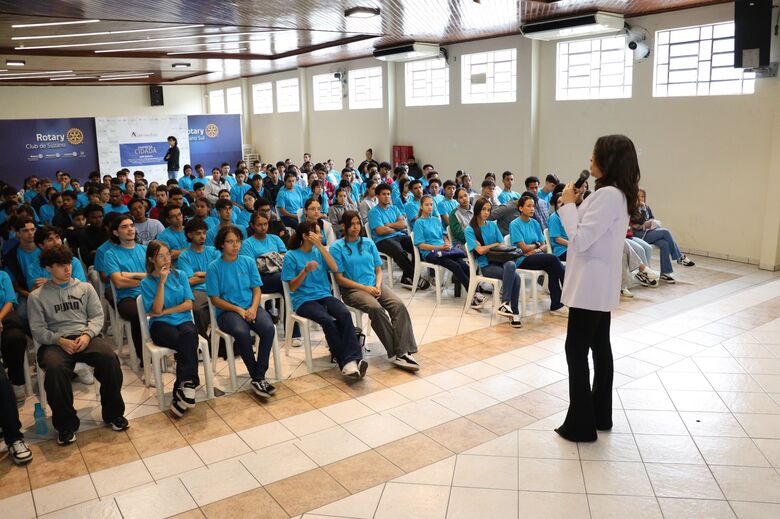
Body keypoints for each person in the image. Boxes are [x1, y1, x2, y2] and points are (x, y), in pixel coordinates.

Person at [555, 134, 641, 443]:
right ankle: (600, 414)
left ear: (608, 161)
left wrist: (567, 207)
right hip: (598, 282)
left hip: (590, 284)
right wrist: (577, 204)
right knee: (599, 348)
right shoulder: (616, 194)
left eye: (594, 156)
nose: (589, 161)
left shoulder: (607, 196)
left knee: (576, 349)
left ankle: (580, 424)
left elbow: (580, 239)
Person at [29, 245, 128, 445]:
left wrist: (87, 335)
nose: (67, 269)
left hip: (85, 336)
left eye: (68, 263)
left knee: (109, 358)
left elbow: (97, 317)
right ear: (48, 268)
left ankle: (113, 414)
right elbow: (38, 330)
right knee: (55, 370)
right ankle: (65, 425)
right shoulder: (37, 296)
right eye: (60, 265)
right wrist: (59, 340)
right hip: (55, 342)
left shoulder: (85, 288)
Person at [332, 211, 420, 371]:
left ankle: (403, 351)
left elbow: (378, 270)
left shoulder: (368, 243)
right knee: (376, 309)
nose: (356, 227)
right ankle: (397, 353)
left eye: (358, 223)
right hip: (353, 290)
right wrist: (365, 288)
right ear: (344, 226)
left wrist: (378, 286)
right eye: (351, 224)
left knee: (398, 305)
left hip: (375, 285)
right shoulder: (337, 247)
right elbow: (339, 278)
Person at [282, 220, 368, 379]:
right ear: (305, 236)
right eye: (316, 232)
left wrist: (321, 247)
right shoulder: (291, 256)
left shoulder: (319, 251)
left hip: (324, 295)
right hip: (303, 301)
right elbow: (292, 287)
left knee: (344, 314)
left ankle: (353, 360)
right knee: (327, 320)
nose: (320, 235)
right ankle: (347, 362)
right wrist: (305, 271)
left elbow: (335, 268)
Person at [207, 225, 278, 398]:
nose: (235, 245)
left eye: (238, 241)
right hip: (227, 312)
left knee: (269, 328)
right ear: (222, 244)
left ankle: (258, 374)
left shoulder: (247, 261)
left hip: (250, 307)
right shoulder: (214, 267)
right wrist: (239, 310)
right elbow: (215, 299)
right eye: (230, 242)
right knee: (242, 332)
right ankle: (257, 377)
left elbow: (256, 290)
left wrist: (253, 308)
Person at [140, 241, 201, 417]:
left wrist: (168, 311)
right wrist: (161, 282)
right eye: (161, 256)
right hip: (160, 325)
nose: (167, 259)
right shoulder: (146, 283)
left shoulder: (180, 275)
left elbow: (188, 304)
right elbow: (156, 311)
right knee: (186, 343)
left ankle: (182, 388)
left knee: (190, 334)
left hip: (183, 320)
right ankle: (189, 384)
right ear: (151, 259)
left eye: (168, 254)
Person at [240, 212, 301, 346]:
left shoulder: (275, 239)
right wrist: (273, 257)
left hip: (278, 275)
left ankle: (293, 331)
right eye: (259, 225)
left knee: (288, 282)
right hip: (260, 280)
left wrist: (266, 259)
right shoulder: (247, 244)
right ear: (252, 226)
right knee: (286, 281)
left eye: (265, 224)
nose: (263, 227)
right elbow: (251, 268)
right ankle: (293, 333)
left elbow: (285, 258)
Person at [413, 196, 484, 309]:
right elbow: (421, 244)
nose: (429, 207)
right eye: (426, 204)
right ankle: (472, 295)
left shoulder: (436, 220)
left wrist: (446, 244)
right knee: (455, 266)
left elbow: (444, 235)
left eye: (431, 204)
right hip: (430, 253)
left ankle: (476, 291)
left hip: (443, 250)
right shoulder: (419, 223)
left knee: (463, 265)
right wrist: (440, 247)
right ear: (421, 206)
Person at [465, 197, 523, 328]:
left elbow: (502, 243)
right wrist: (493, 244)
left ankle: (504, 304)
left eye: (489, 210)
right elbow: (479, 251)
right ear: (477, 210)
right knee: (516, 278)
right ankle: (513, 312)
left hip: (500, 260)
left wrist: (488, 246)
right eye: (484, 209)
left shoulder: (492, 224)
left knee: (511, 264)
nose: (486, 212)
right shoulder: (470, 230)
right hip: (486, 265)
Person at [509, 196, 567, 315]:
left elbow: (544, 245)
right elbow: (523, 248)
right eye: (528, 206)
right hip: (522, 259)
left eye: (533, 207)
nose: (532, 209)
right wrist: (537, 246)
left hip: (534, 256)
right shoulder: (514, 224)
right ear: (520, 208)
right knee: (553, 258)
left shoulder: (535, 223)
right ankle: (569, 291)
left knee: (552, 267)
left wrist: (535, 249)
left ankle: (556, 305)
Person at [104, 215, 147, 365]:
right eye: (124, 227)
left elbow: (157, 276)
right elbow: (119, 282)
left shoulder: (146, 250)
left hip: (149, 294)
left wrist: (132, 277)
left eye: (131, 225)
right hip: (127, 297)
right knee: (138, 313)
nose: (130, 229)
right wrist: (145, 279)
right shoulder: (111, 254)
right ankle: (145, 358)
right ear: (116, 232)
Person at [368, 184, 429, 290]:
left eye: (388, 194)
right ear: (377, 196)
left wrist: (389, 225)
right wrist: (397, 227)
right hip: (382, 240)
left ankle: (407, 276)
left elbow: (404, 224)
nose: (387, 196)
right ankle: (416, 278)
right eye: (383, 194)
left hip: (399, 236)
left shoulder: (394, 208)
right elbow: (381, 231)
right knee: (399, 251)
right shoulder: (374, 212)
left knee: (417, 245)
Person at [630, 188, 694, 283]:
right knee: (666, 232)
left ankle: (665, 273)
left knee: (664, 243)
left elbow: (651, 218)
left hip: (649, 232)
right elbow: (640, 221)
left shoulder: (646, 207)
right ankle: (679, 257)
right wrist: (643, 216)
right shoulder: (632, 208)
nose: (641, 199)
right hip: (639, 235)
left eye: (643, 196)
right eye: (638, 196)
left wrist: (648, 221)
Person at [177, 218, 219, 340]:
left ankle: (218, 342)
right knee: (197, 310)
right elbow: (189, 281)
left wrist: (200, 274)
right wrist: (210, 274)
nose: (203, 236)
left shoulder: (214, 251)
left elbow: (220, 273)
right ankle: (203, 343)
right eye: (198, 233)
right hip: (197, 291)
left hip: (217, 288)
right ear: (190, 235)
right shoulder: (184, 256)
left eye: (204, 233)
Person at [0, 269, 27, 402]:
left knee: (16, 338)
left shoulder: (3, 275)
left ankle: (17, 382)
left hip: (4, 317)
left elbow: (10, 301)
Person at [547, 192, 569, 261]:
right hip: (561, 251)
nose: (562, 204)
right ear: (556, 205)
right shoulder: (554, 218)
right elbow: (557, 239)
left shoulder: (569, 216)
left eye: (564, 202)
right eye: (559, 202)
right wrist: (573, 245)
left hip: (571, 248)